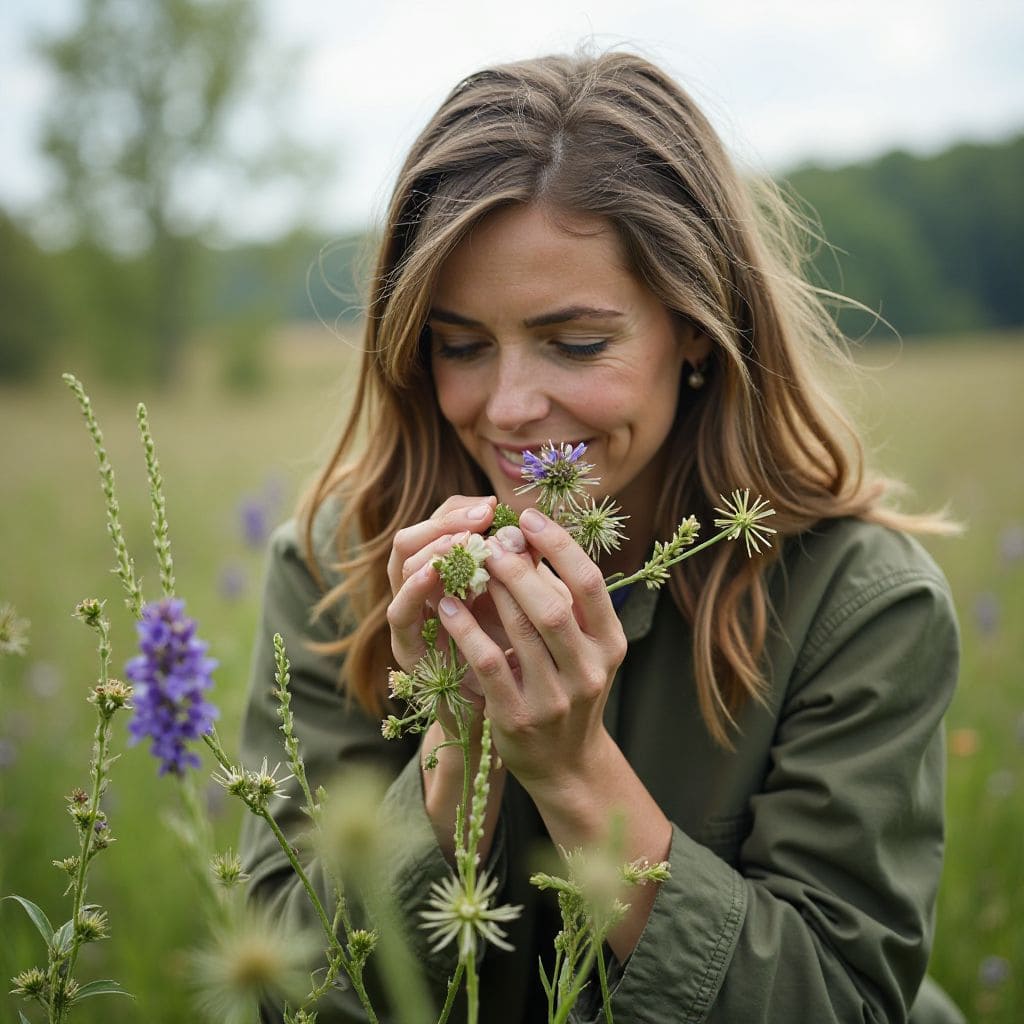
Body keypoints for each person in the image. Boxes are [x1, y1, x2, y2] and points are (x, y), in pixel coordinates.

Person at [239, 51, 964, 1023]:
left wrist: (573, 772)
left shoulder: (858, 602)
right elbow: (284, 990)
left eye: (575, 342)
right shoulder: (344, 564)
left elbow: (834, 999)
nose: (509, 406)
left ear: (697, 323)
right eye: (460, 344)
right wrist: (458, 745)